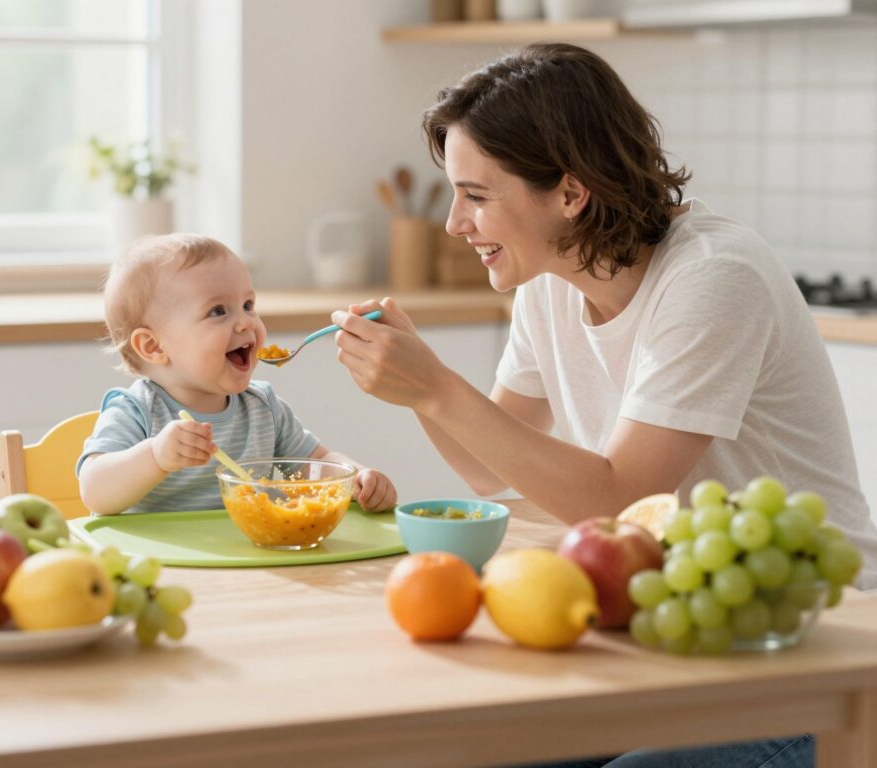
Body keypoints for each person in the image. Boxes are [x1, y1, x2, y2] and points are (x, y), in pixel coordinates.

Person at [330, 42, 877, 768]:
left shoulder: (713, 279)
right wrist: (410, 382)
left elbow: (620, 497)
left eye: (478, 195)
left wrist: (434, 386)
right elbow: (482, 465)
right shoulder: (548, 281)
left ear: (570, 193)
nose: (456, 223)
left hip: (809, 645)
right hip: (667, 628)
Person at [78, 233, 397, 516]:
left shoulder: (263, 408)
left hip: (250, 563)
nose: (246, 322)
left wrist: (355, 477)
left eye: (248, 304)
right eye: (218, 311)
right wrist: (155, 455)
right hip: (165, 568)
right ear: (153, 346)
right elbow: (95, 492)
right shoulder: (136, 410)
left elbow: (317, 461)